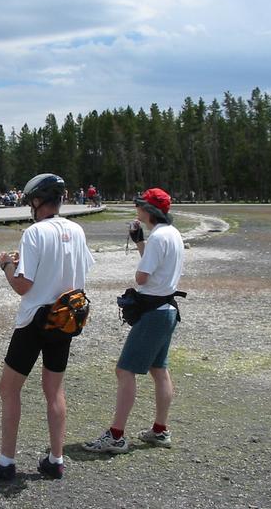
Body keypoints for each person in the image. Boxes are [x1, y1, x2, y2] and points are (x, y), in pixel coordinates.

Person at [0, 173, 94, 481]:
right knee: (54, 391)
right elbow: (78, 269)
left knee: (9, 388)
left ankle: (6, 461)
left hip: (34, 321)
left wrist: (6, 266)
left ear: (38, 201)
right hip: (65, 317)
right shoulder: (77, 230)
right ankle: (56, 459)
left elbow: (23, 286)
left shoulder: (34, 233)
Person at [83, 187, 185, 454]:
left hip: (153, 311)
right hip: (168, 309)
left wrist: (143, 252)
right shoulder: (172, 233)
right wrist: (140, 243)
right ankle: (160, 430)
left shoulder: (158, 237)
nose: (137, 210)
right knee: (159, 370)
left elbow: (142, 277)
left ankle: (116, 435)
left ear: (148, 210)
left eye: (140, 206)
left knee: (125, 370)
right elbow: (157, 269)